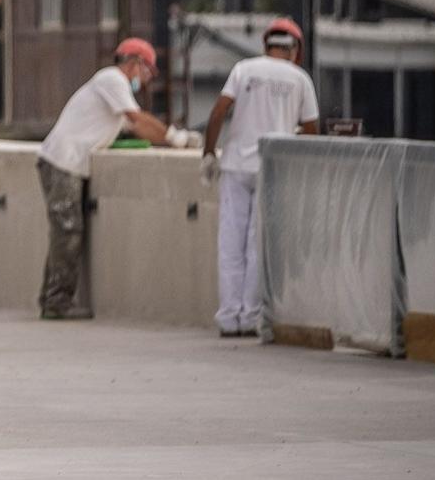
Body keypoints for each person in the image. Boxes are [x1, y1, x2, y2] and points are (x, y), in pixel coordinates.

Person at [35, 38, 194, 320]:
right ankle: (57, 303)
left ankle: (51, 298)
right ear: (135, 63)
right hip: (63, 162)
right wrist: (175, 139)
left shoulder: (110, 88)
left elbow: (128, 128)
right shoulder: (112, 80)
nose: (146, 80)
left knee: (63, 231)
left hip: (64, 162)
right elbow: (137, 120)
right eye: (148, 72)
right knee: (68, 231)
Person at [201, 17, 320, 338]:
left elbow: (218, 111)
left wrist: (209, 153)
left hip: (236, 165)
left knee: (230, 244)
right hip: (271, 170)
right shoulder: (300, 79)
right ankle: (252, 316)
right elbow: (311, 131)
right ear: (294, 49)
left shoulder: (244, 69)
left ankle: (229, 317)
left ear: (266, 44)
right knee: (256, 245)